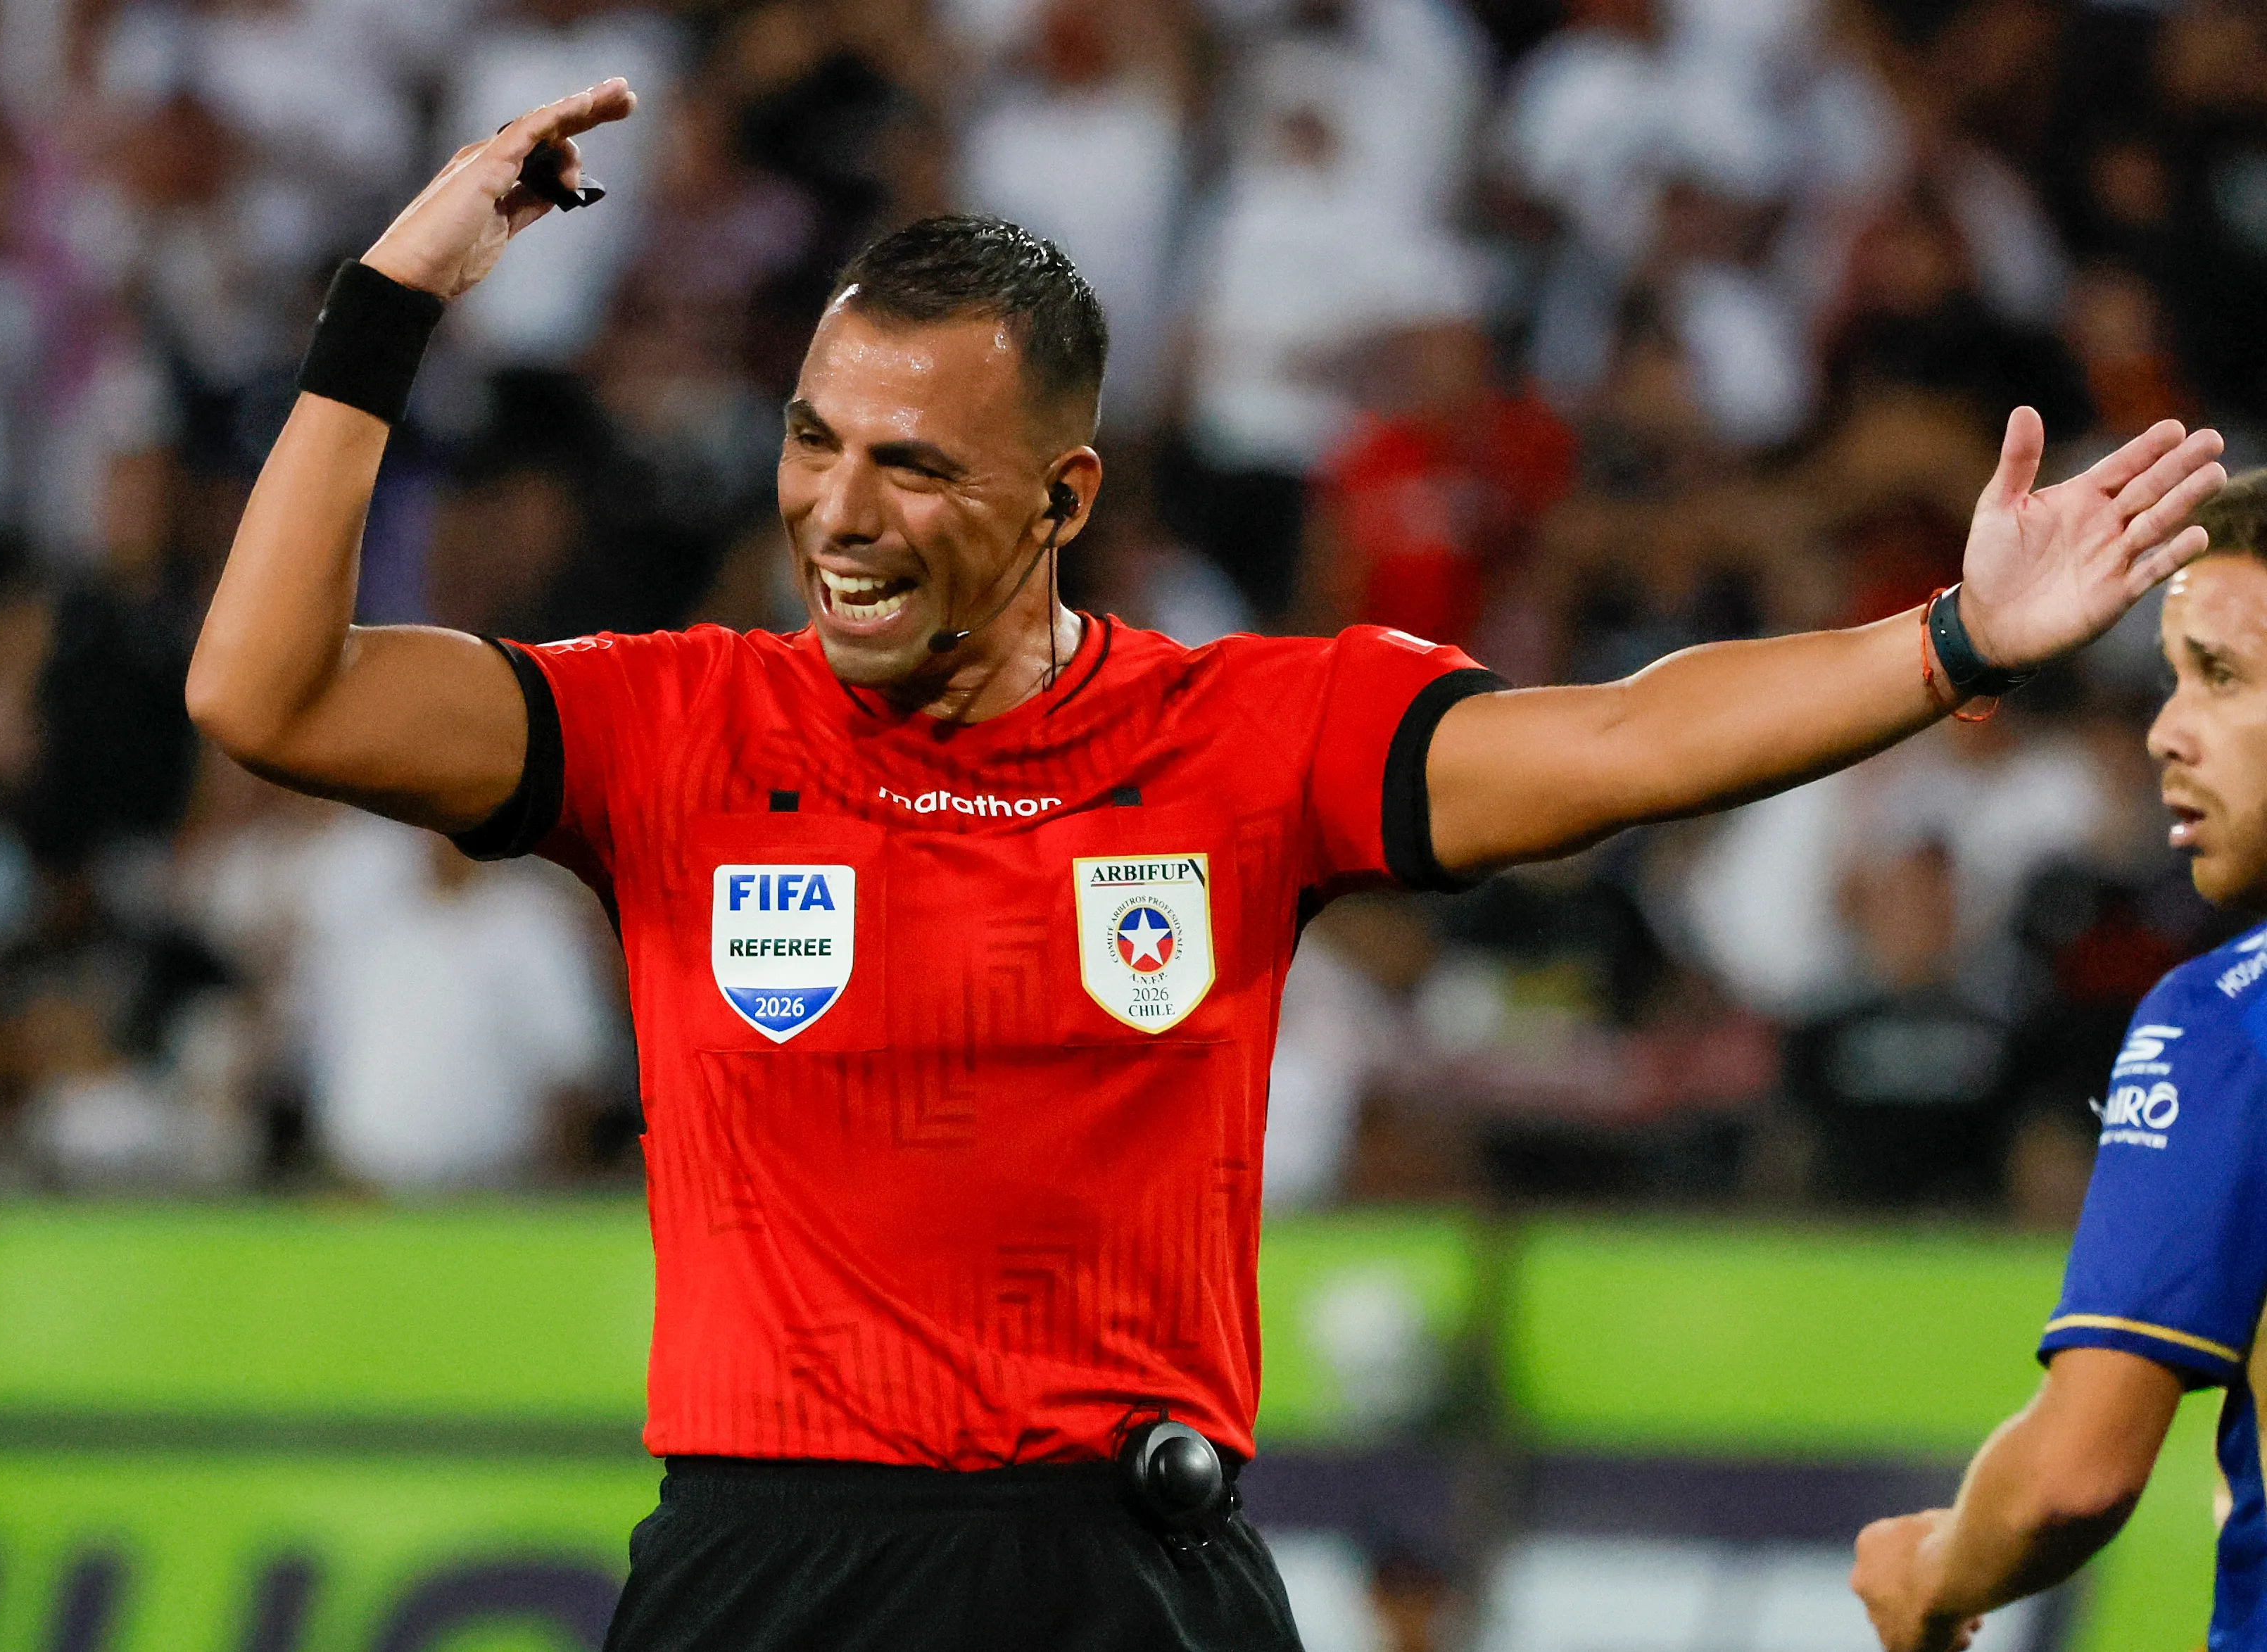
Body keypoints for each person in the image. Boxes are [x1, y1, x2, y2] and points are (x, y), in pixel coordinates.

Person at [184, 82, 2226, 1652]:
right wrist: (389, 308)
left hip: (1130, 1574)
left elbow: (1619, 741)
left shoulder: (1244, 737)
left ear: (1062, 495)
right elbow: (266, 693)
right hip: (767, 1565)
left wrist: (1950, 643)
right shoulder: (672, 728)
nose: (841, 511)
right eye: (814, 441)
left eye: (914, 464)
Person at [1850, 469, 2267, 1651]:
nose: (2166, 731)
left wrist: (1931, 1575)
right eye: (2172, 678)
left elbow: (2073, 1476)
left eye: (2221, 676)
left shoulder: (2232, 1020)